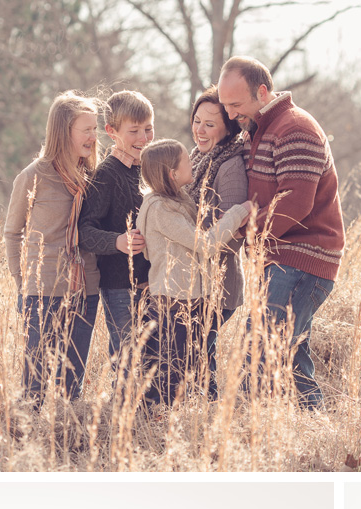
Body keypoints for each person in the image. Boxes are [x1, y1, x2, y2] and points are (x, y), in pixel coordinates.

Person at [216, 56, 345, 411]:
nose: (230, 115)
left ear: (262, 91)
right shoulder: (259, 130)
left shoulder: (295, 128)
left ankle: (244, 430)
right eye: (225, 105)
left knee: (258, 353)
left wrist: (251, 237)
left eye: (236, 105)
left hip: (302, 260)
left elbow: (295, 204)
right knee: (292, 359)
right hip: (279, 260)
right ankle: (314, 425)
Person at [136, 140, 251, 403]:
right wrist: (237, 213)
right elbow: (206, 244)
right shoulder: (160, 208)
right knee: (170, 369)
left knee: (186, 364)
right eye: (186, 159)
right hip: (173, 301)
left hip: (188, 300)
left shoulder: (178, 199)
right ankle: (155, 420)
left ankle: (175, 414)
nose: (193, 161)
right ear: (172, 173)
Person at [3, 92, 101, 400]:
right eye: (86, 129)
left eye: (95, 129)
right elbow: (12, 232)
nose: (93, 136)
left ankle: (68, 444)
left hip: (84, 288)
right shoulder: (34, 176)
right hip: (42, 289)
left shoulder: (93, 177)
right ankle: (29, 443)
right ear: (64, 132)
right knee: (35, 383)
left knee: (72, 385)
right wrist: (23, 281)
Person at [78, 89, 154, 361]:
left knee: (149, 353)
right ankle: (122, 401)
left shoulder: (148, 169)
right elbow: (84, 230)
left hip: (150, 281)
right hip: (119, 283)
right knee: (126, 352)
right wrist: (116, 241)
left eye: (148, 129)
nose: (143, 138)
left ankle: (143, 404)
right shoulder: (105, 174)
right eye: (134, 131)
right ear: (112, 131)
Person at [188, 87, 250, 397]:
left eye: (209, 124)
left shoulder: (230, 167)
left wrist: (190, 238)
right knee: (194, 352)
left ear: (228, 128)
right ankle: (199, 410)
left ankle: (207, 410)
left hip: (217, 283)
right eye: (196, 120)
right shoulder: (198, 157)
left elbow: (233, 235)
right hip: (192, 280)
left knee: (197, 352)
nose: (199, 129)